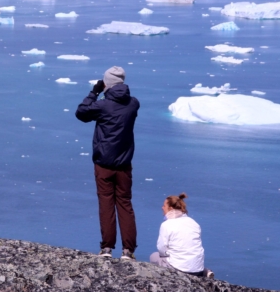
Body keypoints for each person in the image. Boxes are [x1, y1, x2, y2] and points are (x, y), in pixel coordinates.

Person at [75, 66, 140, 260]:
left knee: (106, 204)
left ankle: (106, 249)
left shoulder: (102, 106)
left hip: (104, 164)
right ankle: (128, 251)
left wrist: (94, 92)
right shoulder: (133, 104)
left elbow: (81, 113)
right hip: (124, 165)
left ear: (107, 83)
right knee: (125, 204)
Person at [150, 193, 214, 278]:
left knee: (154, 256)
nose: (162, 207)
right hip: (197, 269)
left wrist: (168, 254)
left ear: (171, 208)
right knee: (191, 260)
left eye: (164, 206)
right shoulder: (194, 223)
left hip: (179, 268)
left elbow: (161, 249)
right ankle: (205, 272)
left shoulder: (167, 224)